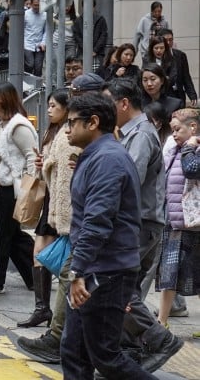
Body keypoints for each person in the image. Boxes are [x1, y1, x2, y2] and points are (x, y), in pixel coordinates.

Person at [60, 92, 155, 380]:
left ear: (93, 123)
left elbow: (97, 221)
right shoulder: (97, 156)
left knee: (105, 355)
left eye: (72, 122)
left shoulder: (107, 160)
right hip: (99, 267)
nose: (67, 129)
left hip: (106, 269)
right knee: (75, 350)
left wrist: (78, 269)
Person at [105, 79, 183, 372]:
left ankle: (159, 339)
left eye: (109, 103)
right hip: (141, 221)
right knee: (128, 289)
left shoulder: (140, 135)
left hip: (139, 222)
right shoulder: (133, 133)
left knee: (117, 288)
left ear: (124, 103)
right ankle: (130, 352)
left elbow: (128, 180)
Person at [16, 89, 82, 363]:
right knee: (44, 256)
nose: (50, 110)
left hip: (67, 209)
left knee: (71, 273)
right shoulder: (57, 132)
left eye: (54, 105)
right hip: (55, 205)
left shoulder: (76, 136)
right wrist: (45, 165)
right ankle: (47, 315)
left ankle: (149, 335)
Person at [0, 82, 36, 294]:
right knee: (14, 237)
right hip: (2, 187)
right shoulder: (1, 124)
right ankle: (38, 274)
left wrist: (29, 188)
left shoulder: (18, 125)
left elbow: (32, 156)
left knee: (2, 235)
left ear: (4, 100)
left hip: (14, 189)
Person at [155, 108, 200, 326]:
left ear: (193, 127)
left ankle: (162, 320)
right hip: (175, 221)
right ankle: (162, 320)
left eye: (178, 130)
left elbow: (192, 170)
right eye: (172, 130)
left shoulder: (193, 150)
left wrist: (190, 148)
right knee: (168, 273)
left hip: (194, 223)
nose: (174, 135)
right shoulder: (175, 149)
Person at [155, 28, 198, 107]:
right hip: (162, 96)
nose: (168, 43)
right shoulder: (153, 56)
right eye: (166, 40)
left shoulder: (180, 55)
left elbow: (186, 76)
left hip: (178, 94)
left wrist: (192, 95)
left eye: (171, 40)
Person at [71, 4, 108, 72]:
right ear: (83, 7)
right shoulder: (78, 21)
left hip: (97, 53)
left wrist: (95, 50)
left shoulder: (100, 19)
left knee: (97, 73)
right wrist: (86, 49)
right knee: (81, 72)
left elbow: (103, 35)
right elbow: (77, 36)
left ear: (94, 7)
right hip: (82, 52)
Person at [24, 0, 46, 76]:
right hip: (27, 44)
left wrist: (43, 43)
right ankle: (27, 83)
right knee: (29, 64)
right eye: (35, 5)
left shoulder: (45, 15)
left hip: (40, 44)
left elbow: (46, 31)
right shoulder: (26, 14)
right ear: (31, 4)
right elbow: (22, 30)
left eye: (38, 5)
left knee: (38, 67)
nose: (37, 7)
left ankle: (37, 86)